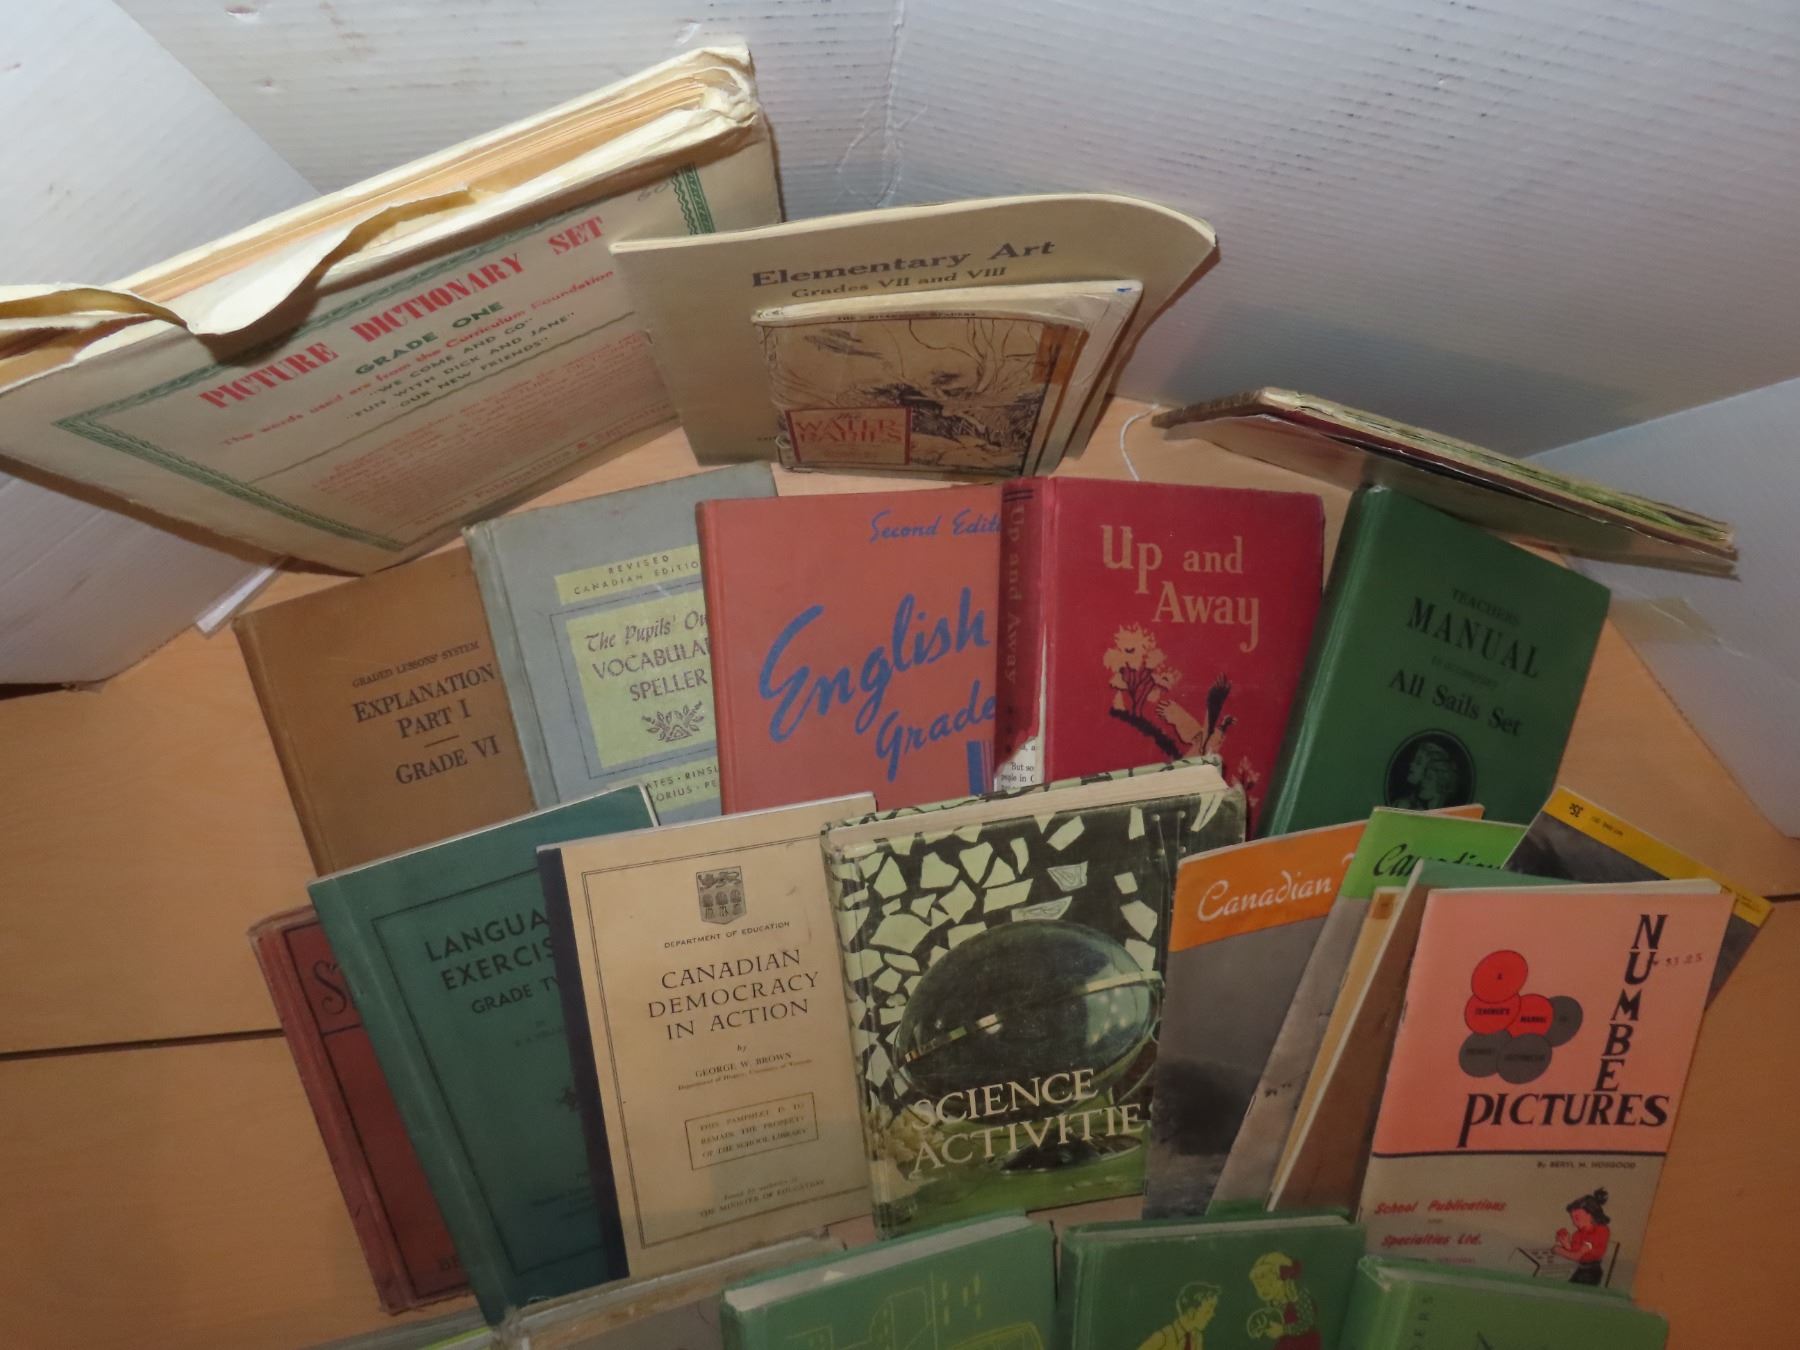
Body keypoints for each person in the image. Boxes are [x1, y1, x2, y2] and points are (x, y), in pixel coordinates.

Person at [1246, 1252, 1322, 1347]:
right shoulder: (1273, 1302)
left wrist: (1284, 1330)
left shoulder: (1299, 1296)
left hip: (1305, 1343)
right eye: (1259, 1286)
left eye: (1269, 1283)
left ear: (1283, 1279)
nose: (1263, 1290)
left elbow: (1307, 1322)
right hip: (1286, 1344)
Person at [1136, 1282, 1221, 1350]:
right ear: (1191, 1310)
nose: (1212, 1315)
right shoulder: (1163, 1337)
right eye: (1208, 1310)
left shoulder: (1197, 1338)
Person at [1553, 1188, 1612, 1286]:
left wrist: (1559, 1250)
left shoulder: (1600, 1231)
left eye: (1577, 1218)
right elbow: (1574, 1250)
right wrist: (1565, 1243)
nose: (1574, 1222)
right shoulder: (1578, 1234)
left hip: (1591, 1273)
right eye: (1572, 1218)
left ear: (1590, 1214)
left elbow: (1577, 1256)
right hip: (1581, 1269)